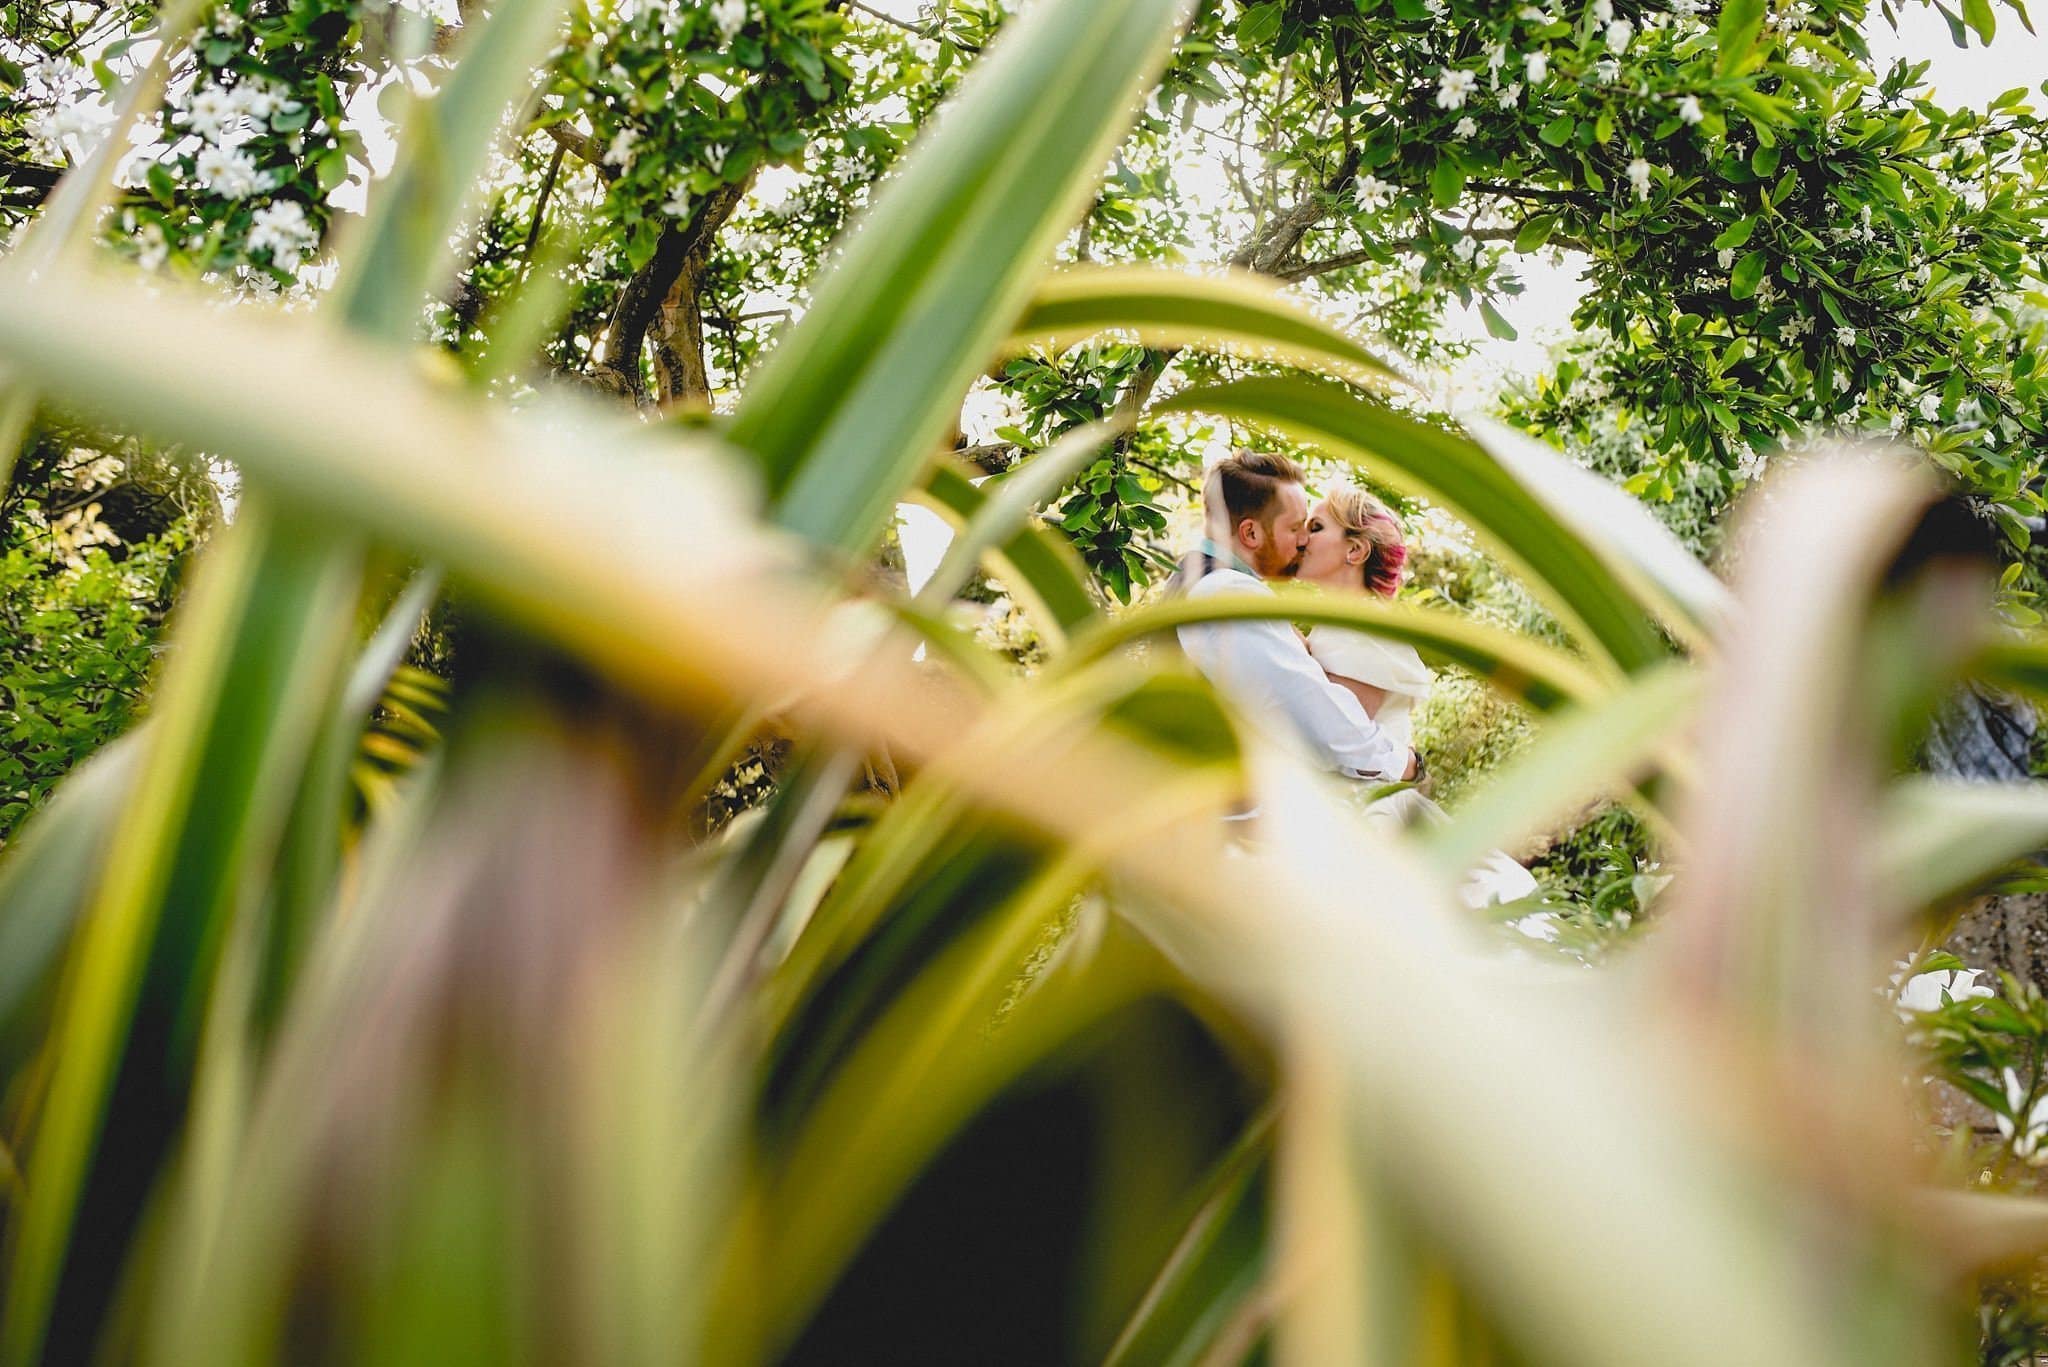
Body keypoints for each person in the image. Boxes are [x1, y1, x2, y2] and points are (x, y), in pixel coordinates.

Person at [1293, 484, 1539, 907]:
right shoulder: (1344, 623)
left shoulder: (1362, 629)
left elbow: (1337, 741)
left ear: (1354, 552)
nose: (1301, 538)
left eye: (1315, 527)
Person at [1171, 450, 1417, 785]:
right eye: (1296, 528)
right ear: (1251, 534)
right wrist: (1408, 763)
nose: (1303, 541)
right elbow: (1324, 726)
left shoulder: (1198, 580)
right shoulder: (1228, 594)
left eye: (1312, 528)